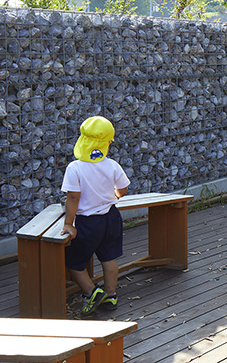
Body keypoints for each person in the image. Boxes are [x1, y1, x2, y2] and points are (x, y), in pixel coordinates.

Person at [61, 115, 131, 316]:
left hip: (88, 223)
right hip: (111, 217)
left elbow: (73, 198)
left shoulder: (75, 168)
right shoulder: (111, 165)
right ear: (107, 143)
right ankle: (110, 295)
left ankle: (92, 292)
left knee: (74, 262)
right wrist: (113, 195)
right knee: (109, 257)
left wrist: (69, 224)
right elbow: (123, 189)